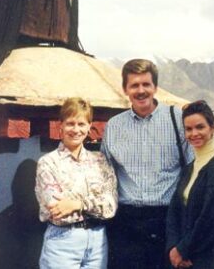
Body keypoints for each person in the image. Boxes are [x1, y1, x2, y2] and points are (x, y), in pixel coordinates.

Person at [101, 58, 193, 269]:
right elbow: (105, 176)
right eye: (134, 85)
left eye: (146, 84)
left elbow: (192, 170)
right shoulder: (114, 127)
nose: (141, 90)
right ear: (125, 89)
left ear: (155, 87)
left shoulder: (177, 120)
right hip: (126, 224)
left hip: (167, 222)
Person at [35, 97, 118, 269]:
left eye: (81, 124)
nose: (76, 130)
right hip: (63, 243)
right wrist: (95, 203)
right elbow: (58, 210)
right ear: (61, 126)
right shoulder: (48, 163)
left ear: (89, 127)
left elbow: (110, 207)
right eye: (70, 123)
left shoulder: (100, 161)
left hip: (97, 243)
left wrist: (76, 203)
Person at [166, 100, 214, 269]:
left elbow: (212, 218)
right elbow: (175, 210)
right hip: (190, 259)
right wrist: (174, 248)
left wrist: (182, 250)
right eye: (189, 129)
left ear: (213, 128)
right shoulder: (190, 168)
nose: (194, 133)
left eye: (200, 127)